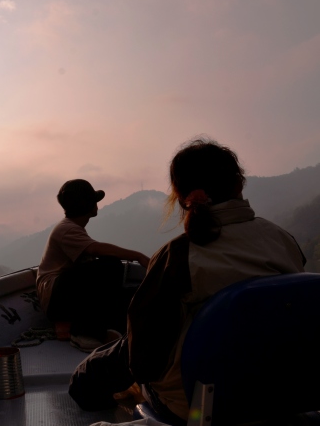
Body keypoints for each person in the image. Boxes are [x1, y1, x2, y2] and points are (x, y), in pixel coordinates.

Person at [68, 138, 307, 424]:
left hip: (199, 405)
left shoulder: (179, 255)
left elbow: (143, 360)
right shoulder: (283, 239)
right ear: (239, 184)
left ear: (181, 197)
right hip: (281, 394)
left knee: (87, 378)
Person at [36, 179, 150, 352]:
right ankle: (81, 332)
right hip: (56, 297)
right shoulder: (67, 229)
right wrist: (138, 256)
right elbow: (96, 249)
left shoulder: (72, 227)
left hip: (63, 296)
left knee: (128, 297)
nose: (97, 205)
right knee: (110, 265)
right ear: (87, 204)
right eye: (94, 200)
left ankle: (76, 326)